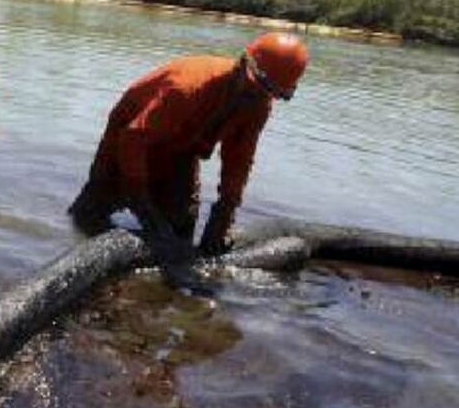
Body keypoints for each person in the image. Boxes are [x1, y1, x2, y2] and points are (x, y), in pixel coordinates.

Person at [68, 32, 308, 266]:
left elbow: (239, 160)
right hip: (129, 138)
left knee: (181, 228)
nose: (257, 96)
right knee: (89, 217)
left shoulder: (259, 105)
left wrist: (224, 213)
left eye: (272, 94)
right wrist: (140, 200)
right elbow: (134, 139)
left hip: (182, 150)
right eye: (257, 87)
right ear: (244, 63)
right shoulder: (187, 87)